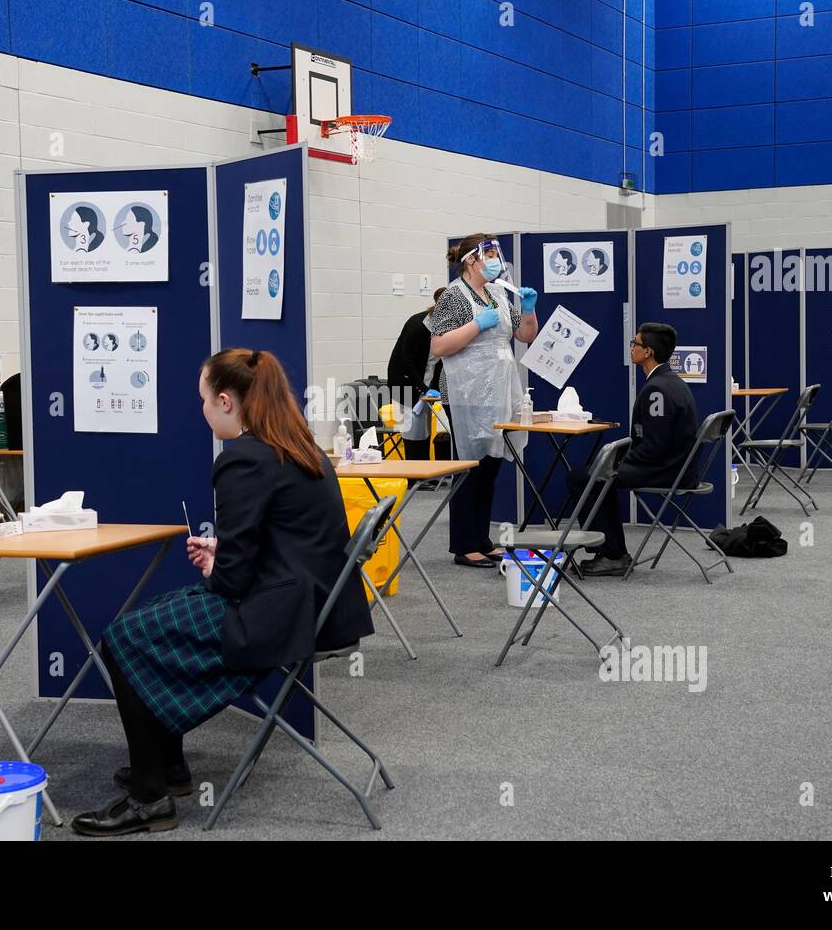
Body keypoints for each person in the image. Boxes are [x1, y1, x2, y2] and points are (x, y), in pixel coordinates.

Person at [72, 348, 373, 836]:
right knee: (145, 625)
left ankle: (150, 796)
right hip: (317, 605)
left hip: (280, 616)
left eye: (204, 400)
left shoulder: (242, 461)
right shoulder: (300, 446)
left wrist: (218, 562)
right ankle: (166, 765)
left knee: (124, 636)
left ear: (228, 401)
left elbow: (232, 581)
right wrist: (227, 552)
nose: (202, 410)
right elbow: (286, 540)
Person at [430, 234, 539, 568]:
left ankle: (481, 538)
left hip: (500, 388)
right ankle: (464, 544)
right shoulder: (453, 296)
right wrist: (476, 325)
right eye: (489, 254)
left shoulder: (499, 292)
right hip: (466, 391)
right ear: (471, 260)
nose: (495, 260)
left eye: (496, 254)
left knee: (490, 465)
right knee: (469, 468)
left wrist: (530, 311)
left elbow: (524, 336)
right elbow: (439, 346)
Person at [571, 322, 700, 577]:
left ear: (648, 352)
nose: (632, 348)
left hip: (666, 470)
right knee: (597, 473)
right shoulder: (671, 382)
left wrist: (616, 461)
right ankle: (612, 550)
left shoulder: (657, 390)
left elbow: (654, 449)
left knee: (583, 478)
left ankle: (612, 554)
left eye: (635, 344)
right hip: (675, 466)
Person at [386, 287, 446, 461]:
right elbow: (407, 360)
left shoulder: (445, 326)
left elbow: (439, 361)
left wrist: (433, 387)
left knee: (424, 428)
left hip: (424, 382)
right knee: (412, 430)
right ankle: (414, 478)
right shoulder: (418, 325)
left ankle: (425, 474)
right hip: (403, 382)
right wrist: (421, 387)